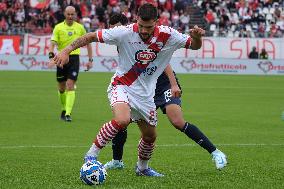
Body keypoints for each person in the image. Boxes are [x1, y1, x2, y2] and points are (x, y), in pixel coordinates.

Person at [50, 3, 211, 177]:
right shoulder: (125, 32)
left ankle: (142, 168)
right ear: (136, 20)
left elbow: (194, 46)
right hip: (122, 85)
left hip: (145, 95)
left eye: (148, 27)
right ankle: (91, 155)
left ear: (156, 22)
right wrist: (66, 50)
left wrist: (197, 38)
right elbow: (90, 36)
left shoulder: (168, 34)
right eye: (141, 25)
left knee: (150, 136)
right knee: (122, 120)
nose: (143, 30)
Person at [104, 13, 227, 171]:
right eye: (112, 29)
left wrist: (174, 84)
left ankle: (215, 152)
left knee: (177, 121)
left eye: (117, 28)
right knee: (122, 122)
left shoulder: (143, 35)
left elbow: (165, 62)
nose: (114, 31)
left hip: (163, 85)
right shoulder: (124, 38)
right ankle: (117, 161)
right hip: (141, 88)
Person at [48, 6, 93, 122]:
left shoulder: (80, 28)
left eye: (72, 14)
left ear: (75, 14)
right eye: (68, 14)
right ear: (64, 13)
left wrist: (90, 60)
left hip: (74, 58)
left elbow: (88, 43)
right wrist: (51, 58)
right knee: (61, 88)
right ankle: (63, 109)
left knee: (70, 85)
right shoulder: (58, 27)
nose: (70, 16)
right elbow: (52, 44)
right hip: (61, 58)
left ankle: (68, 113)